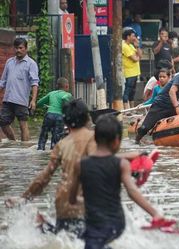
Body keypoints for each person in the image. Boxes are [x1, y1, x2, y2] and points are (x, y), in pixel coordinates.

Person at [5, 99, 143, 235]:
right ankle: (46, 227)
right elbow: (99, 161)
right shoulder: (94, 138)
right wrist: (133, 156)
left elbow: (44, 178)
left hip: (63, 206)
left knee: (67, 238)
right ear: (87, 119)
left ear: (65, 122)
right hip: (85, 206)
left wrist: (24, 198)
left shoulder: (61, 144)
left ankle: (46, 227)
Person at [69, 114, 166, 249]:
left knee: (84, 237)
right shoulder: (121, 164)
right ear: (116, 141)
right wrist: (155, 214)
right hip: (116, 223)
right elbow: (132, 191)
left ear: (95, 138)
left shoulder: (80, 164)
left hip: (94, 224)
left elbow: (72, 199)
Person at [135, 63, 179, 144]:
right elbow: (172, 91)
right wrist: (177, 108)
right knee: (144, 128)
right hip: (161, 106)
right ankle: (137, 140)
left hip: (175, 108)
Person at [0, 37, 39, 141]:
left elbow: (35, 83)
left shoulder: (31, 64)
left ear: (26, 49)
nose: (18, 50)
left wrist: (33, 100)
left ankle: (25, 150)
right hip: (8, 99)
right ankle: (14, 143)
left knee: (23, 126)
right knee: (3, 123)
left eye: (21, 48)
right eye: (16, 48)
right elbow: (2, 81)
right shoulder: (9, 62)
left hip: (21, 101)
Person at [37, 77, 72, 150]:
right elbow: (65, 99)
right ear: (66, 86)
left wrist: (45, 106)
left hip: (49, 116)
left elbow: (39, 103)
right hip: (59, 118)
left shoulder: (51, 93)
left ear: (57, 86)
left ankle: (40, 149)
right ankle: (53, 153)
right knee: (56, 140)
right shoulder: (68, 95)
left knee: (43, 135)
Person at [122, 28, 142, 109]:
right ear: (128, 36)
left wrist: (137, 46)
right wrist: (137, 56)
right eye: (133, 36)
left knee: (132, 92)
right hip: (128, 73)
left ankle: (132, 109)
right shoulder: (124, 46)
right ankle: (126, 109)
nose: (135, 38)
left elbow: (140, 56)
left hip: (135, 72)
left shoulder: (131, 45)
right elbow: (135, 59)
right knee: (127, 91)